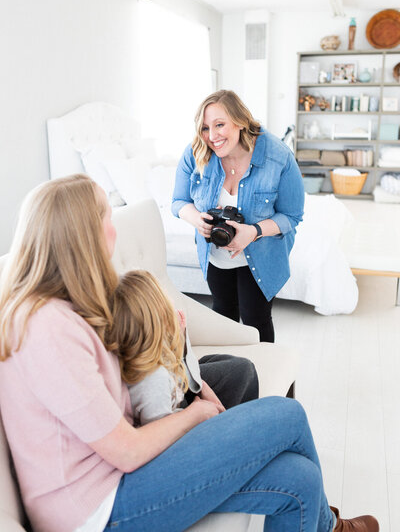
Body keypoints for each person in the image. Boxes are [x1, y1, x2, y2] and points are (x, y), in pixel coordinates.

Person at [0, 174, 378, 532]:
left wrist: (185, 367)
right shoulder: (45, 328)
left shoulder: (66, 303)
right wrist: (196, 415)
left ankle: (327, 525)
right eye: (106, 218)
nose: (113, 229)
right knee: (287, 413)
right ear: (82, 237)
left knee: (300, 480)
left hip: (121, 475)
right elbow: (127, 452)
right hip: (96, 510)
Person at [172, 90, 305, 343]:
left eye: (220, 125)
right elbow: (179, 202)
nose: (212, 136)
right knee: (222, 316)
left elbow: (291, 216)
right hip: (215, 256)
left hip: (262, 255)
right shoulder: (197, 152)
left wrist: (253, 232)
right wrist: (197, 219)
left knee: (256, 320)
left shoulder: (278, 157)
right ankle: (232, 374)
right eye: (204, 128)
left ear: (240, 121)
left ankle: (267, 378)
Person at [109, 269, 225, 426]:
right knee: (243, 372)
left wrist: (180, 337)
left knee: (235, 367)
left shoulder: (144, 343)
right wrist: (200, 413)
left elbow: (187, 374)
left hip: (178, 387)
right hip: (177, 419)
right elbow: (163, 431)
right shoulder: (154, 379)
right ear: (159, 315)